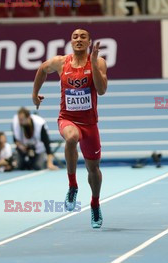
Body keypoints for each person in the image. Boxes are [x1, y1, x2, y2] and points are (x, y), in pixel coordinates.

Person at [32, 28, 107, 228]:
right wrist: (34, 93)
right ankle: (72, 184)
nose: (79, 39)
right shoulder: (61, 62)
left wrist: (93, 63)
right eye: (75, 37)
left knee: (94, 169)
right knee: (71, 137)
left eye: (83, 37)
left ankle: (95, 204)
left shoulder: (98, 62)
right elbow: (41, 69)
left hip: (90, 124)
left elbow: (101, 90)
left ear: (89, 41)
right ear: (71, 42)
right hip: (68, 119)